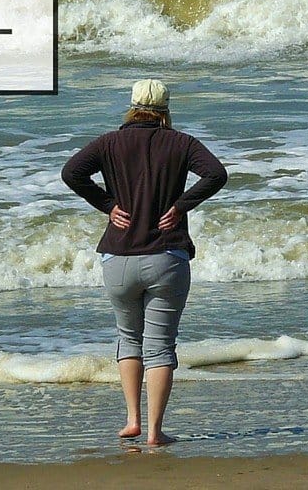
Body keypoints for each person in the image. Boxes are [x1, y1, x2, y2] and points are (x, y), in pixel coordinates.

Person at [61, 79, 227, 446]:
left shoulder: (109, 142)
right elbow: (217, 174)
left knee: (129, 339)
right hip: (166, 257)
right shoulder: (181, 142)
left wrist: (108, 206)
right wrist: (182, 205)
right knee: (161, 346)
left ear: (132, 106)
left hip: (118, 257)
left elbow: (71, 172)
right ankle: (155, 431)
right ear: (166, 110)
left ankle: (132, 420)